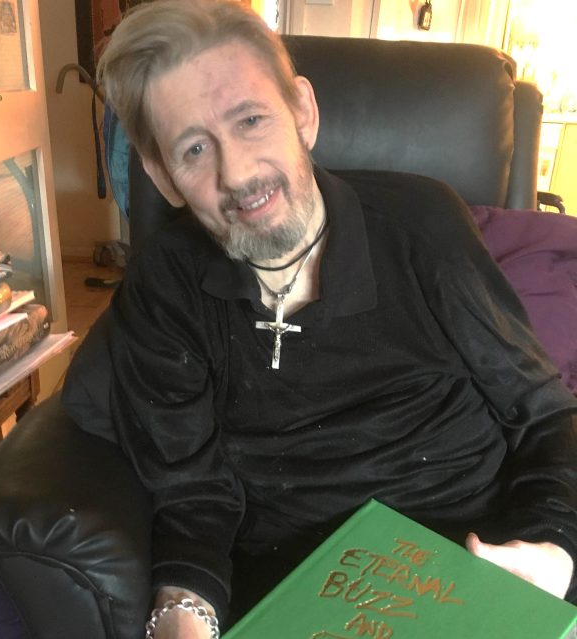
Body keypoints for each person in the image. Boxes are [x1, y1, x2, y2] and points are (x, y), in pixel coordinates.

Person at [62, 0, 577, 637]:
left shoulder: (423, 224)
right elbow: (192, 497)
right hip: (296, 590)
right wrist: (182, 617)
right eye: (193, 148)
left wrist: (552, 548)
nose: (237, 173)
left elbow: (544, 412)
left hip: (484, 560)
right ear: (163, 176)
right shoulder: (165, 283)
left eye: (251, 120)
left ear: (302, 112)